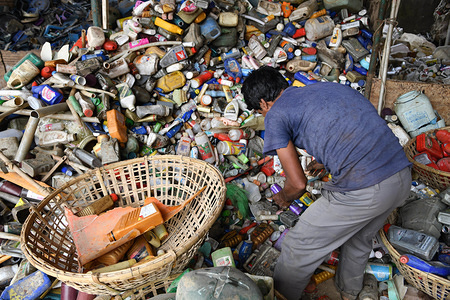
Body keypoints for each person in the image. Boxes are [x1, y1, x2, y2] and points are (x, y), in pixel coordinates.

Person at [241, 66, 411, 300]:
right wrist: (326, 160)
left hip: (366, 188)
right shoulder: (325, 88)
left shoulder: (276, 114)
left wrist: (283, 197)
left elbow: (298, 184)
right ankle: (349, 291)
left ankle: (281, 296)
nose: (263, 116)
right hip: (400, 177)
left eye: (259, 111)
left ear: (263, 103)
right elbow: (351, 126)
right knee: (359, 237)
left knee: (298, 247)